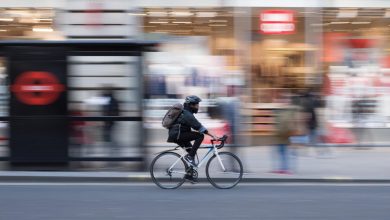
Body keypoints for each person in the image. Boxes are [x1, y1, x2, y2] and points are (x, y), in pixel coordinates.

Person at [167, 95, 218, 166]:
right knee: (200, 136)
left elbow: (196, 126)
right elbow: (199, 127)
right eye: (197, 104)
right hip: (178, 135)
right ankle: (190, 157)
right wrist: (213, 135)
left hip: (177, 135)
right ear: (192, 105)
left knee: (192, 152)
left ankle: (189, 174)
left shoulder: (186, 112)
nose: (198, 106)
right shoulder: (187, 114)